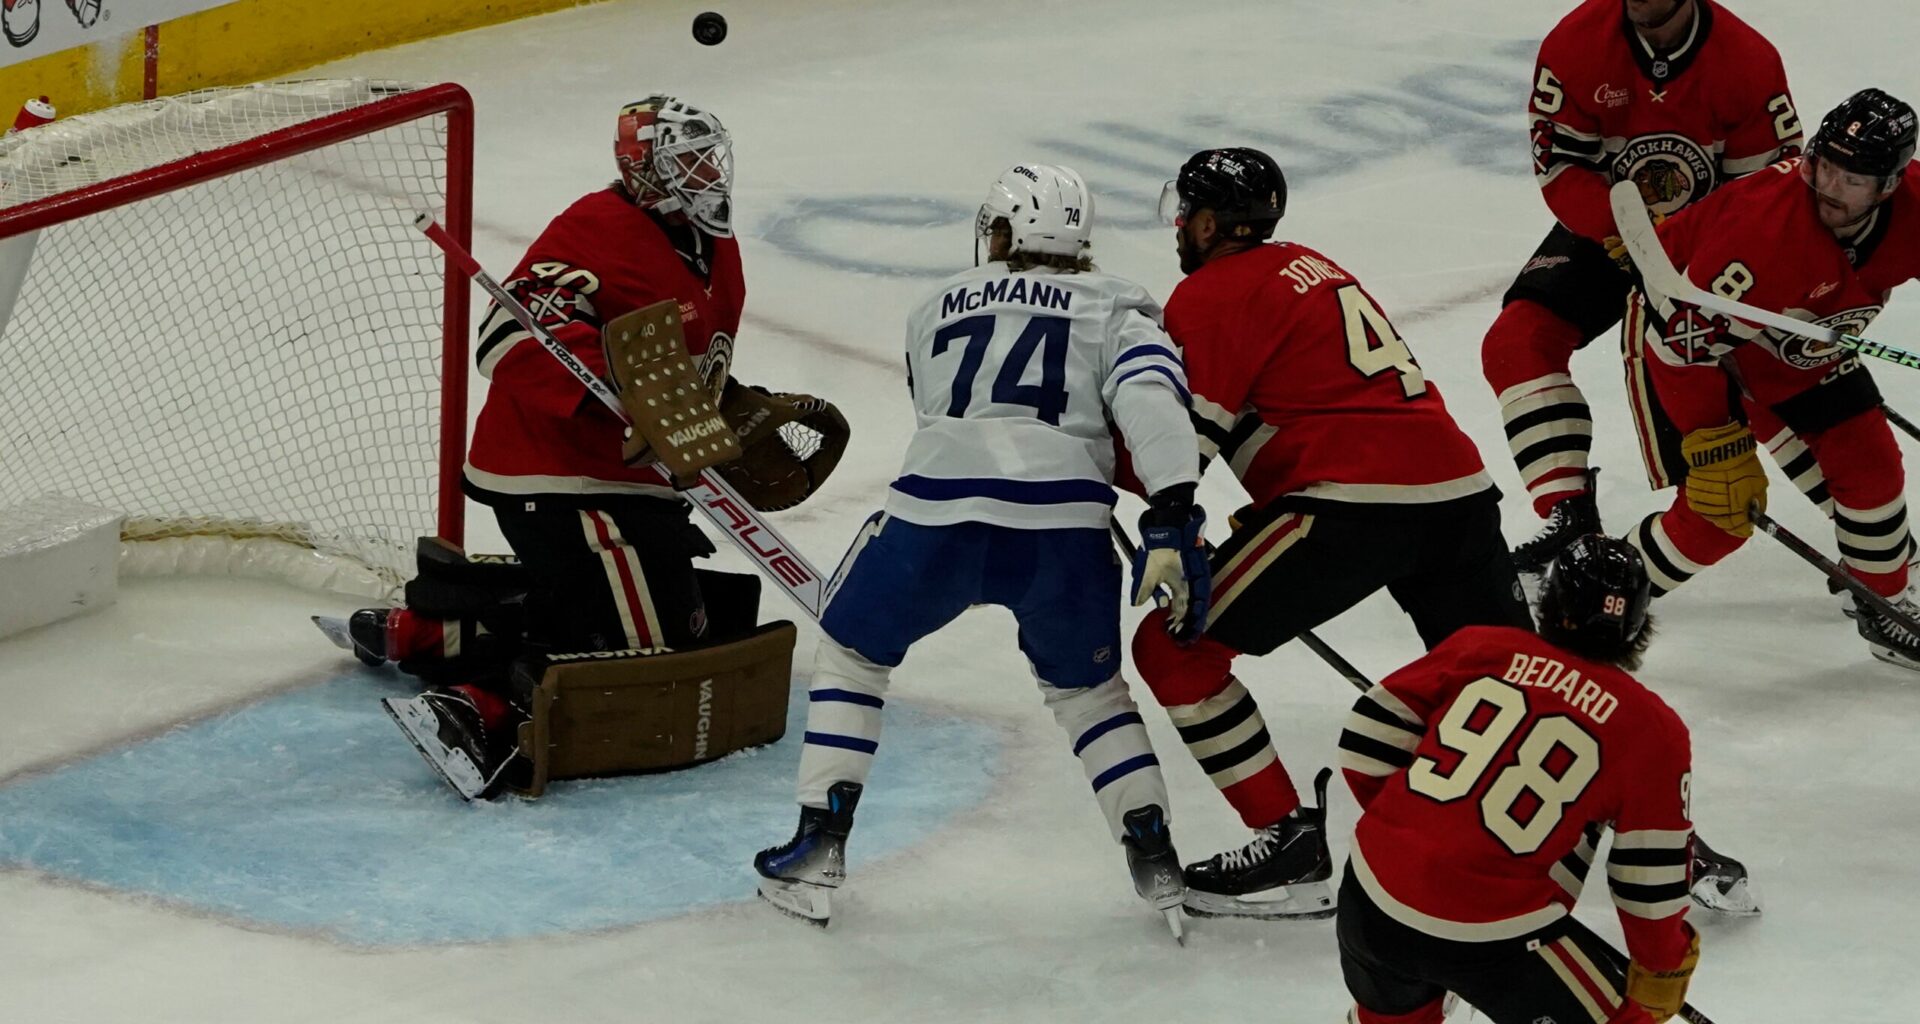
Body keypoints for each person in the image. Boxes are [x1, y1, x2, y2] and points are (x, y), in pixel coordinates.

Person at [753, 164, 1207, 933]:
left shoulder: (933, 305)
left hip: (937, 515)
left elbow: (937, 404)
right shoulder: (1117, 304)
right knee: (1089, 694)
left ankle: (817, 841)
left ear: (1001, 233)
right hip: (1063, 528)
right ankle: (1154, 853)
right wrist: (1171, 507)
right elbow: (1151, 400)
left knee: (855, 655)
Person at [337, 95, 800, 797]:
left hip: (630, 476)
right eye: (688, 161)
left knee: (702, 619)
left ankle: (434, 630)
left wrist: (723, 409)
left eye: (712, 157)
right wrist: (617, 394)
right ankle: (482, 704)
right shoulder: (595, 229)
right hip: (553, 474)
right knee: (650, 646)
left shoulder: (718, 247)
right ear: (645, 171)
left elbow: (681, 361)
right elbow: (504, 339)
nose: (709, 174)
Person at [1128, 148, 1533, 919]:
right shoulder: (1310, 263)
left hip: (1352, 506)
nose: (1180, 225)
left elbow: (1178, 454)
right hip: (1459, 494)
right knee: (1520, 685)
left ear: (1208, 224)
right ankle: (1630, 827)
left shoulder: (1210, 293)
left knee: (1173, 650)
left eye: (1186, 213)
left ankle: (1288, 845)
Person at [1485, 0, 1802, 581]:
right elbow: (1561, 168)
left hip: (1717, 248)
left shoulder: (1747, 61)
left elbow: (1768, 195)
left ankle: (1877, 546)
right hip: (1614, 229)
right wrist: (1622, 230)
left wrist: (1688, 247)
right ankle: (1569, 515)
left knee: (1769, 375)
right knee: (1517, 339)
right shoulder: (1577, 43)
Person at [1336, 534, 1698, 1024]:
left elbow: (1365, 739)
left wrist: (1420, 833)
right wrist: (1660, 968)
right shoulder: (1653, 729)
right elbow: (1648, 882)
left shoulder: (1481, 645)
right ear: (1638, 625)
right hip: (1495, 939)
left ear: (1547, 603)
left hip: (1369, 901)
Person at [1624, 88, 1920, 667]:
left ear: (1890, 184)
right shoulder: (1760, 236)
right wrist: (1713, 441)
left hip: (1800, 347)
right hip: (1690, 347)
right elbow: (1678, 348)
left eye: (1852, 179)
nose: (1830, 188)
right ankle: (1591, 600)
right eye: (1824, 166)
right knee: (1721, 511)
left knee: (1870, 469)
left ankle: (1884, 607)